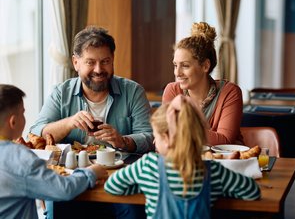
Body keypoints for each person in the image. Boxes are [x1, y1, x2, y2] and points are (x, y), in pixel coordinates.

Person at [104, 95, 261, 219]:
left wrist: (143, 185)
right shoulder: (214, 171)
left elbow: (112, 186)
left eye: (156, 136)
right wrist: (221, 190)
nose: (153, 141)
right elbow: (253, 191)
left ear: (166, 138)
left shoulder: (148, 166)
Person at [30, 26, 154, 153]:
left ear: (112, 60)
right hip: (73, 169)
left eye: (105, 61)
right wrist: (69, 123)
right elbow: (36, 134)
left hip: (121, 169)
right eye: (90, 62)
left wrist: (123, 141)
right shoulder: (61, 93)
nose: (99, 70)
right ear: (76, 62)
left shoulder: (133, 92)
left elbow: (150, 138)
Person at [0, 84, 108, 219]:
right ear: (13, 122)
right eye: (23, 112)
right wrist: (91, 172)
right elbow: (64, 189)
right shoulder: (20, 159)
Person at [162, 22, 243, 145]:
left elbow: (224, 141)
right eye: (175, 65)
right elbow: (166, 138)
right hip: (185, 162)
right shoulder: (172, 91)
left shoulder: (230, 92)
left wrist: (179, 129)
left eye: (185, 66)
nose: (177, 73)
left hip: (223, 162)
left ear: (205, 66)